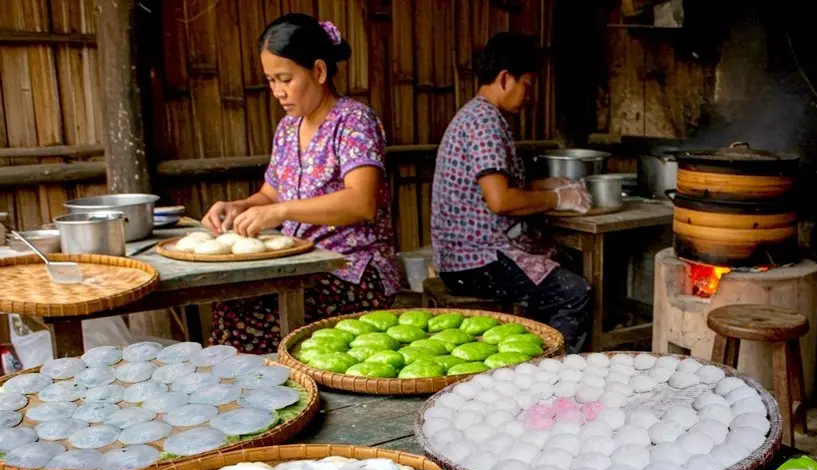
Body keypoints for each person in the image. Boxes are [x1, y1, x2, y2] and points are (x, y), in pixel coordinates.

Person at [200, 14, 399, 353]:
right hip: (303, 268)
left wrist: (281, 212)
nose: (278, 91)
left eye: (285, 79)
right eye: (270, 80)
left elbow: (361, 203)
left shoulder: (353, 121)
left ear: (319, 72)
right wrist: (242, 207)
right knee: (230, 308)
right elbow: (270, 193)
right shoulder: (288, 128)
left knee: (244, 318)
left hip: (351, 273)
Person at [431, 32, 595, 353]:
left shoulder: (480, 115)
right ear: (506, 78)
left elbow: (503, 186)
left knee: (560, 264)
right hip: (475, 261)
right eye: (528, 85)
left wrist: (552, 185)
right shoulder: (484, 123)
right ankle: (549, 373)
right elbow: (501, 200)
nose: (530, 96)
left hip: (468, 256)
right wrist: (558, 199)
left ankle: (528, 350)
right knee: (575, 292)